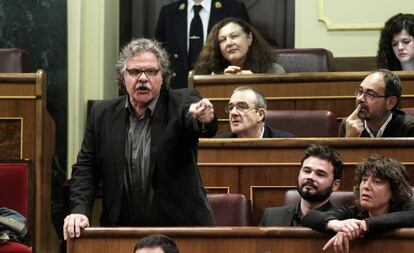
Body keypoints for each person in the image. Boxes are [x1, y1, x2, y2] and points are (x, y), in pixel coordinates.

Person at [63, 38, 218, 240]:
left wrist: (204, 119)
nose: (143, 78)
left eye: (151, 72)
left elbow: (197, 122)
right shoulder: (102, 114)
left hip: (179, 228)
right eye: (134, 72)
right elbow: (86, 168)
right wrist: (79, 210)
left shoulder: (182, 103)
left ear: (162, 77)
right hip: (122, 230)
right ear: (123, 77)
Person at [302, 154, 414, 253]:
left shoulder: (406, 212)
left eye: (377, 182)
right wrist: (336, 224)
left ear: (394, 192)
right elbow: (309, 217)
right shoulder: (355, 211)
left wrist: (365, 225)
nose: (366, 187)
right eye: (364, 180)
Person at [155, 0, 250, 89]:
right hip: (177, 92)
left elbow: (248, 50)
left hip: (220, 88)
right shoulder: (168, 12)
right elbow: (159, 56)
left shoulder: (234, 9)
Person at [260, 144, 343, 226]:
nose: (310, 177)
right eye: (306, 171)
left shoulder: (341, 222)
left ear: (335, 185)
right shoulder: (270, 217)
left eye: (320, 174)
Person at [193, 17, 285, 75]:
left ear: (249, 38)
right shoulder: (209, 73)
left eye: (234, 36)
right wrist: (221, 82)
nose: (228, 43)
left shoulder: (273, 71)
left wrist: (254, 81)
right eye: (222, 40)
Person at [339, 69, 414, 137]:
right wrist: (349, 139)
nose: (361, 99)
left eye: (370, 94)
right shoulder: (349, 125)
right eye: (360, 92)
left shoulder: (409, 128)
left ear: (390, 102)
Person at [215, 86, 294, 138]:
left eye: (242, 107)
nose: (233, 113)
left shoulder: (285, 143)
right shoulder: (217, 144)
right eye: (231, 107)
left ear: (260, 115)